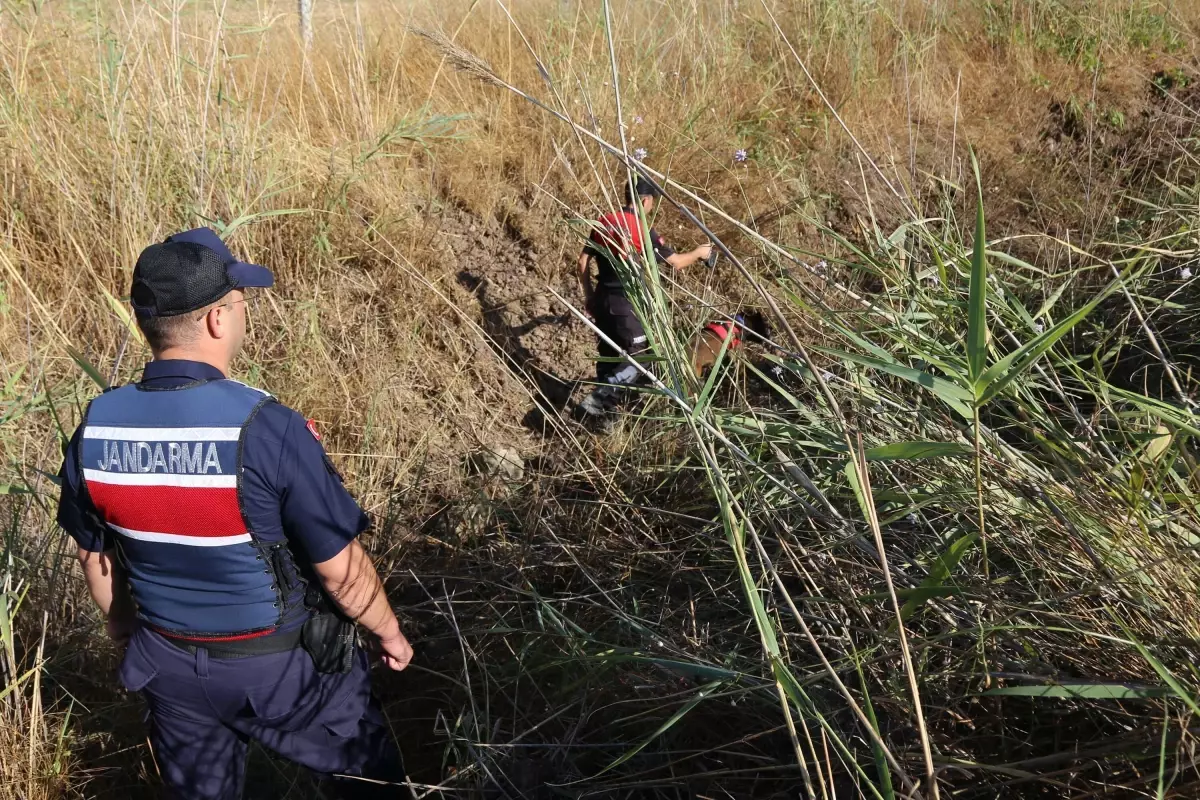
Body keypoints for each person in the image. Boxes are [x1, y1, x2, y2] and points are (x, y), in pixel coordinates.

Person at [56, 228, 414, 800]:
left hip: (167, 666)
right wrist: (389, 631)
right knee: (366, 779)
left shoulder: (97, 424)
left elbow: (92, 553)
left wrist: (124, 627)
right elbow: (339, 570)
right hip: (280, 670)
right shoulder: (267, 426)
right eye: (240, 302)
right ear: (218, 320)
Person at [573, 176, 713, 427]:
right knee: (642, 359)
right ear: (646, 200)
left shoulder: (604, 221)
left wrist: (589, 295)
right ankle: (596, 400)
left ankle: (605, 420)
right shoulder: (641, 229)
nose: (651, 209)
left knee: (609, 357)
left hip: (602, 301)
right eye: (652, 204)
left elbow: (582, 262)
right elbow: (676, 263)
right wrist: (700, 252)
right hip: (625, 306)